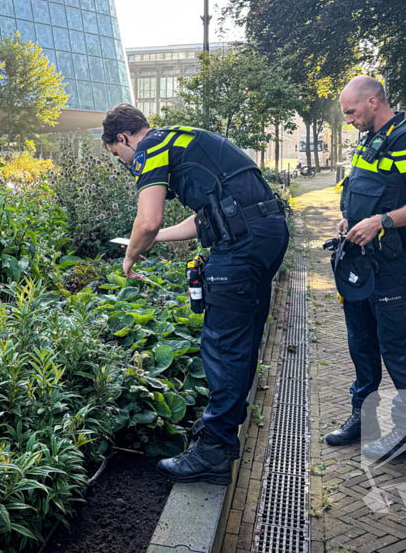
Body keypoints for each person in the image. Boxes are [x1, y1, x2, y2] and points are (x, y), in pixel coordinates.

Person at [101, 105, 288, 485]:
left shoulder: (150, 147)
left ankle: (214, 452)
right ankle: (224, 426)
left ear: (122, 139)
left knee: (221, 346)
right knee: (243, 338)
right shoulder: (180, 139)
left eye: (117, 154)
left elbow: (147, 219)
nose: (122, 161)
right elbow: (208, 216)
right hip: (264, 234)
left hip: (241, 247)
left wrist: (131, 254)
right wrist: (153, 241)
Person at [325, 76, 406, 461]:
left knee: (399, 348)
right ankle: (362, 418)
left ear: (373, 102)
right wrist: (349, 219)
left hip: (389, 265)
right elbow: (360, 193)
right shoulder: (368, 143)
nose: (349, 119)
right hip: (358, 263)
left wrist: (382, 221)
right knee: (361, 344)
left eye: (352, 112)